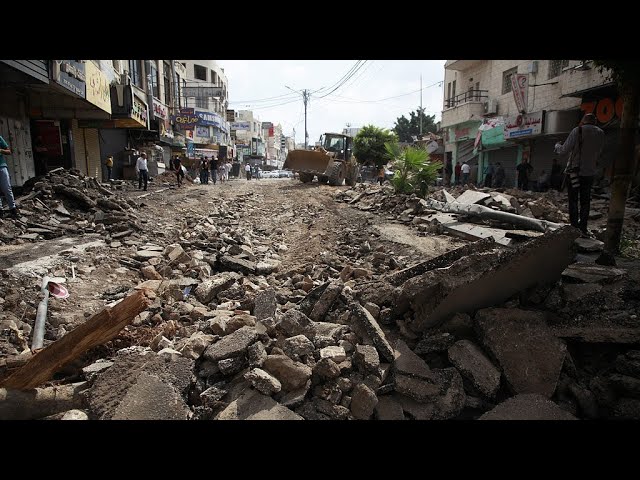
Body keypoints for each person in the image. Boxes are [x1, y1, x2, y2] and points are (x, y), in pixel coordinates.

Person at [554, 112, 605, 235]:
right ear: (595, 121)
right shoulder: (600, 133)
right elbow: (599, 152)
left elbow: (564, 150)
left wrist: (557, 145)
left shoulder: (578, 131)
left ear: (583, 120)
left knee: (573, 199)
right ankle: (583, 227)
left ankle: (574, 227)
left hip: (575, 172)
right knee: (585, 201)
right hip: (590, 173)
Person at [0, 135, 19, 218]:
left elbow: (9, 151)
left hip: (1, 166)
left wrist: (0, 150)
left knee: (6, 188)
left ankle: (13, 209)